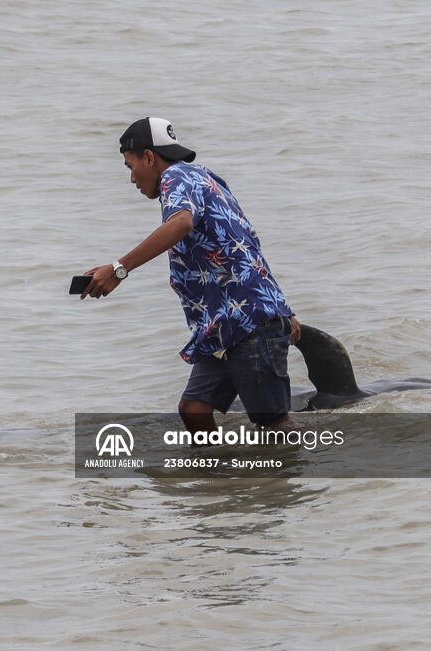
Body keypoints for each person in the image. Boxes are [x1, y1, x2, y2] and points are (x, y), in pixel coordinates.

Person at [81, 117, 300, 433]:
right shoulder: (206, 179)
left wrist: (119, 269)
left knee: (273, 425)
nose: (131, 178)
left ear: (149, 157)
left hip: (247, 323)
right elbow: (246, 243)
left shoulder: (176, 176)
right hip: (224, 325)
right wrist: (283, 308)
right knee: (193, 409)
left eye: (130, 166)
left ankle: (304, 474)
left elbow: (181, 223)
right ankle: (215, 478)